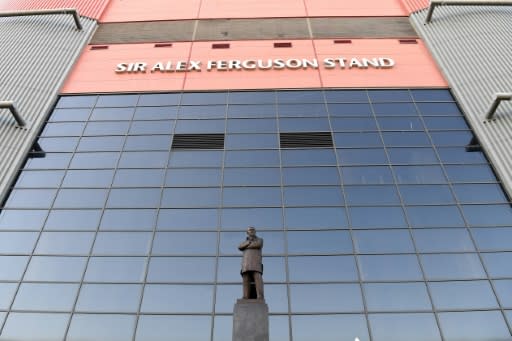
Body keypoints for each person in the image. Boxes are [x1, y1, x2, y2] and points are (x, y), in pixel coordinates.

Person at [238, 226, 264, 299]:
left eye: (253, 230)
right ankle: (245, 296)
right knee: (246, 279)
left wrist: (246, 246)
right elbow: (240, 247)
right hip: (246, 263)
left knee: (257, 278)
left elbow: (258, 244)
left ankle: (260, 296)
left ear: (255, 231)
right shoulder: (245, 241)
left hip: (255, 262)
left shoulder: (259, 239)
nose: (252, 231)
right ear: (247, 232)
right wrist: (249, 242)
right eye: (250, 230)